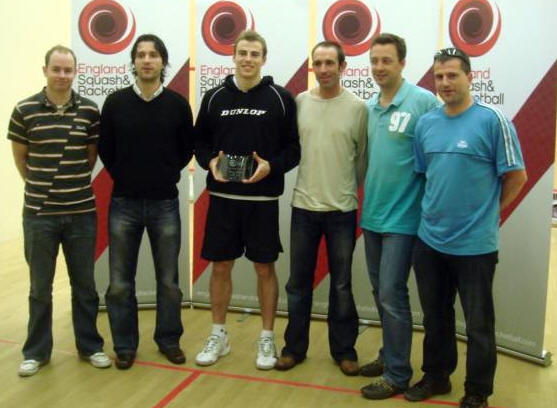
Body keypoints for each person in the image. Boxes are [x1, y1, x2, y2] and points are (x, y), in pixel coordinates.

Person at [404, 48, 527, 408]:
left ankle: (477, 391)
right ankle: (437, 377)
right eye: (439, 76)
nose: (445, 83)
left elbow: (517, 176)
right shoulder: (426, 123)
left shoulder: (493, 120)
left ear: (470, 77)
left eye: (452, 75)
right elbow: (425, 175)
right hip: (429, 242)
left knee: (478, 325)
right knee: (435, 318)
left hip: (475, 246)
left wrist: (489, 214)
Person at [194, 30, 300, 370]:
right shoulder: (213, 97)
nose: (248, 59)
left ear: (264, 59)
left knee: (264, 268)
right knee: (220, 267)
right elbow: (199, 144)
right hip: (222, 199)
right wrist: (209, 162)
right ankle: (218, 335)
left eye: (254, 54)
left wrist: (272, 167)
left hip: (262, 202)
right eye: (242, 53)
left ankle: (267, 337)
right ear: (234, 56)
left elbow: (293, 149)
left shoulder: (281, 98)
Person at [8, 45, 111, 377]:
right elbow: (21, 159)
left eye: (68, 70)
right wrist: (44, 190)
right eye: (57, 69)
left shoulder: (90, 111)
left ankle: (90, 346)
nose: (62, 75)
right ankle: (36, 352)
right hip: (39, 215)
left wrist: (69, 186)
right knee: (40, 289)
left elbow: (90, 157)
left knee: (85, 286)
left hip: (81, 213)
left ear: (75, 72)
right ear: (45, 70)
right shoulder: (24, 110)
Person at [98, 34, 194, 369]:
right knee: (119, 284)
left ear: (163, 61)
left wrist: (163, 172)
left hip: (164, 204)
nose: (147, 60)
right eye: (141, 55)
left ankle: (168, 341)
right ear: (134, 62)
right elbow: (106, 149)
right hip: (123, 204)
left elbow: (186, 149)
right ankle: (125, 345)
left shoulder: (178, 104)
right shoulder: (115, 103)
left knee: (168, 283)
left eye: (153, 55)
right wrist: (126, 174)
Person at [273, 41, 366, 376]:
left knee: (341, 284)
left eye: (330, 63)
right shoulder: (300, 103)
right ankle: (294, 349)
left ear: (342, 67)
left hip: (342, 211)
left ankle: (344, 350)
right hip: (303, 208)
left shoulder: (358, 108)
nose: (324, 69)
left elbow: (363, 159)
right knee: (298, 284)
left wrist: (346, 190)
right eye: (319, 63)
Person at [358, 33, 439, 399]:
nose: (379, 67)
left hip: (405, 221)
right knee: (382, 293)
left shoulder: (423, 102)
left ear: (402, 63)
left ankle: (397, 374)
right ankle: (389, 355)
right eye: (374, 61)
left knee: (392, 294)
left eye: (386, 60)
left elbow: (435, 159)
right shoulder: (370, 106)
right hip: (373, 217)